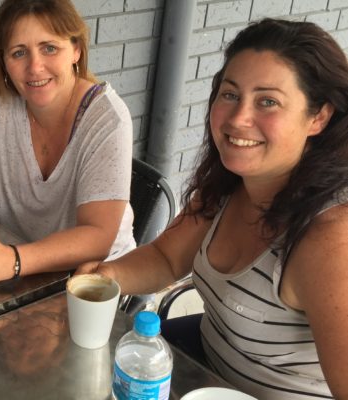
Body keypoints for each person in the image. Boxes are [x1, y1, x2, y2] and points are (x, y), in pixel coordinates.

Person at [78, 18, 348, 400]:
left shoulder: (331, 239)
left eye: (268, 101)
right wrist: (106, 275)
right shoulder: (228, 185)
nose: (238, 118)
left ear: (319, 116)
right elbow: (166, 259)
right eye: (230, 94)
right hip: (205, 371)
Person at [0, 0, 136, 287]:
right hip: (20, 270)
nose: (35, 67)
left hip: (97, 283)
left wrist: (10, 261)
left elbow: (97, 237)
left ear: (76, 50)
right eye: (19, 52)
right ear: (3, 62)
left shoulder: (108, 119)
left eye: (49, 48)